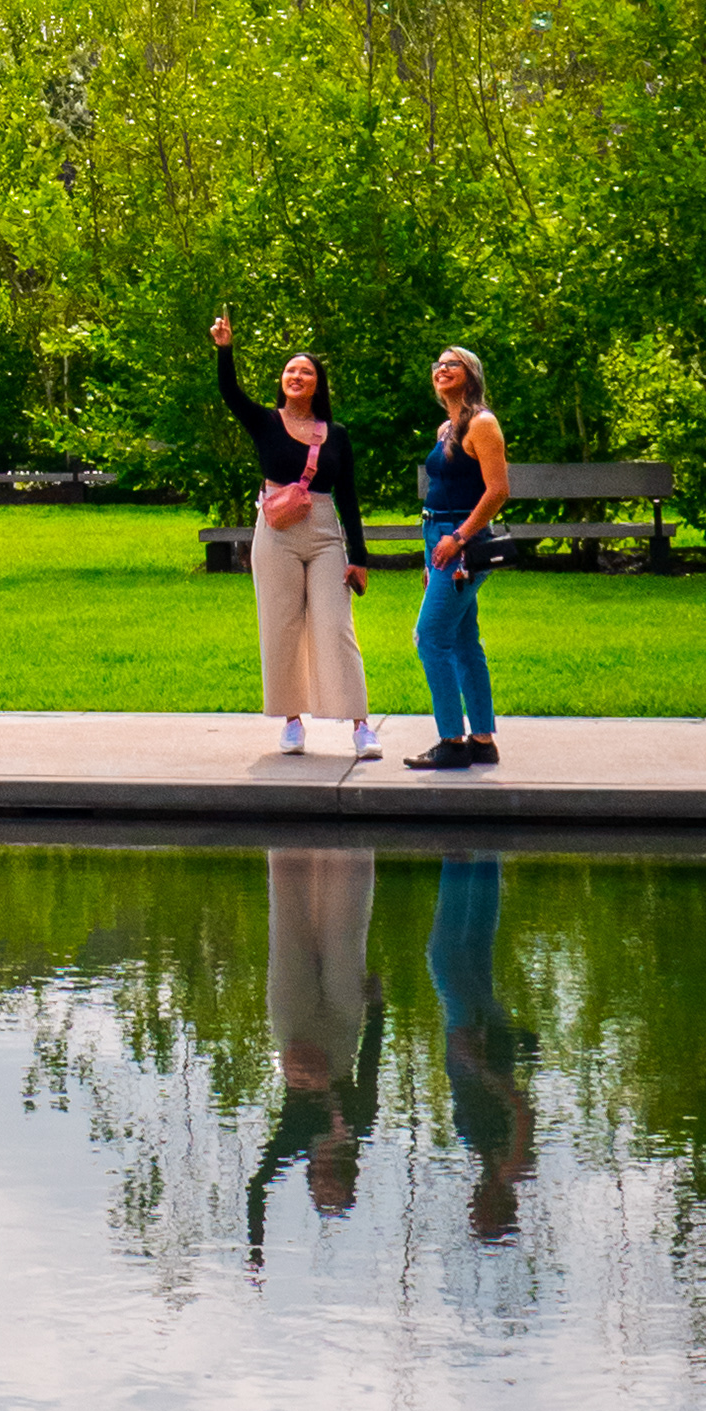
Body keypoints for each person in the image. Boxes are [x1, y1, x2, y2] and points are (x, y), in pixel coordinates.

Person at [210, 312, 375, 757]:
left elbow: (349, 497)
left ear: (318, 384)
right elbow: (229, 392)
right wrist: (226, 350)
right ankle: (291, 722)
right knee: (280, 626)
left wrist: (358, 555)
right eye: (290, 371)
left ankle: (361, 726)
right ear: (282, 382)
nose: (296, 376)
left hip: (324, 534)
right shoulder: (265, 422)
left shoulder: (336, 435)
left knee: (335, 626)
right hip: (277, 534)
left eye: (306, 371)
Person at [247, 840, 383, 1264]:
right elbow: (371, 1063)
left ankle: (288, 846)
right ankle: (347, 852)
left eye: (322, 1190)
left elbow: (258, 1186)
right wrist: (378, 1009)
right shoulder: (361, 1126)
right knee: (344, 937)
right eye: (335, 1188)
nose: (326, 1182)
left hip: (297, 1029)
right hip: (342, 1033)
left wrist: (256, 1247)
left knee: (288, 931)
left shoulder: (296, 1138)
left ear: (312, 1180)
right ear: (348, 1177)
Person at [404, 339, 508, 775]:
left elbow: (498, 490)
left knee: (430, 638)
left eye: (454, 364)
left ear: (471, 374)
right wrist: (433, 554)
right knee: (464, 640)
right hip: (438, 538)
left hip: (460, 540)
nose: (442, 369)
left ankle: (451, 741)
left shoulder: (482, 424)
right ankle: (482, 741)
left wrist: (458, 540)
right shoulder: (446, 428)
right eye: (438, 364)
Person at [426, 852, 535, 1238]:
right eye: (480, 1214)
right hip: (478, 1038)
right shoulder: (512, 1166)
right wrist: (479, 1063)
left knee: (472, 949)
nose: (473, 1207)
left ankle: (486, 853)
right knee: (443, 958)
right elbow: (521, 1108)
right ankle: (462, 857)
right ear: (496, 1208)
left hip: (472, 1042)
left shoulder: (488, 1159)